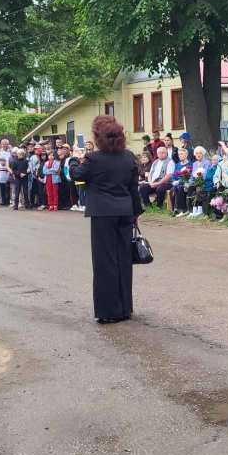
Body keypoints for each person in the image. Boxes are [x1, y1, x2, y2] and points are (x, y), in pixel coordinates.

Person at [68, 116, 142, 324]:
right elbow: (133, 189)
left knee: (105, 262)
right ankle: (125, 307)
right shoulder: (128, 157)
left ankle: (109, 310)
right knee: (123, 260)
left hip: (103, 214)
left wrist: (75, 158)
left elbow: (76, 175)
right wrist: (135, 213)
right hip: (125, 211)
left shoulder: (94, 159)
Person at [187, 146, 211, 218]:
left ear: (203, 154)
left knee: (199, 189)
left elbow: (206, 174)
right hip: (196, 182)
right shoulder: (194, 164)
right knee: (190, 188)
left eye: (200, 153)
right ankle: (193, 210)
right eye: (197, 153)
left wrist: (199, 181)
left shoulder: (207, 162)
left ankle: (200, 210)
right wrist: (189, 182)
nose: (198, 155)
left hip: (204, 182)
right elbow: (192, 176)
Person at [171, 148, 193, 217]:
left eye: (182, 154)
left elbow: (189, 177)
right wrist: (174, 181)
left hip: (185, 183)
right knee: (174, 188)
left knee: (179, 188)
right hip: (177, 183)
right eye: (179, 154)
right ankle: (175, 209)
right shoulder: (177, 165)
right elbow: (173, 175)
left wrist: (179, 181)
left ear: (186, 155)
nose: (180, 156)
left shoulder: (190, 164)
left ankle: (182, 209)